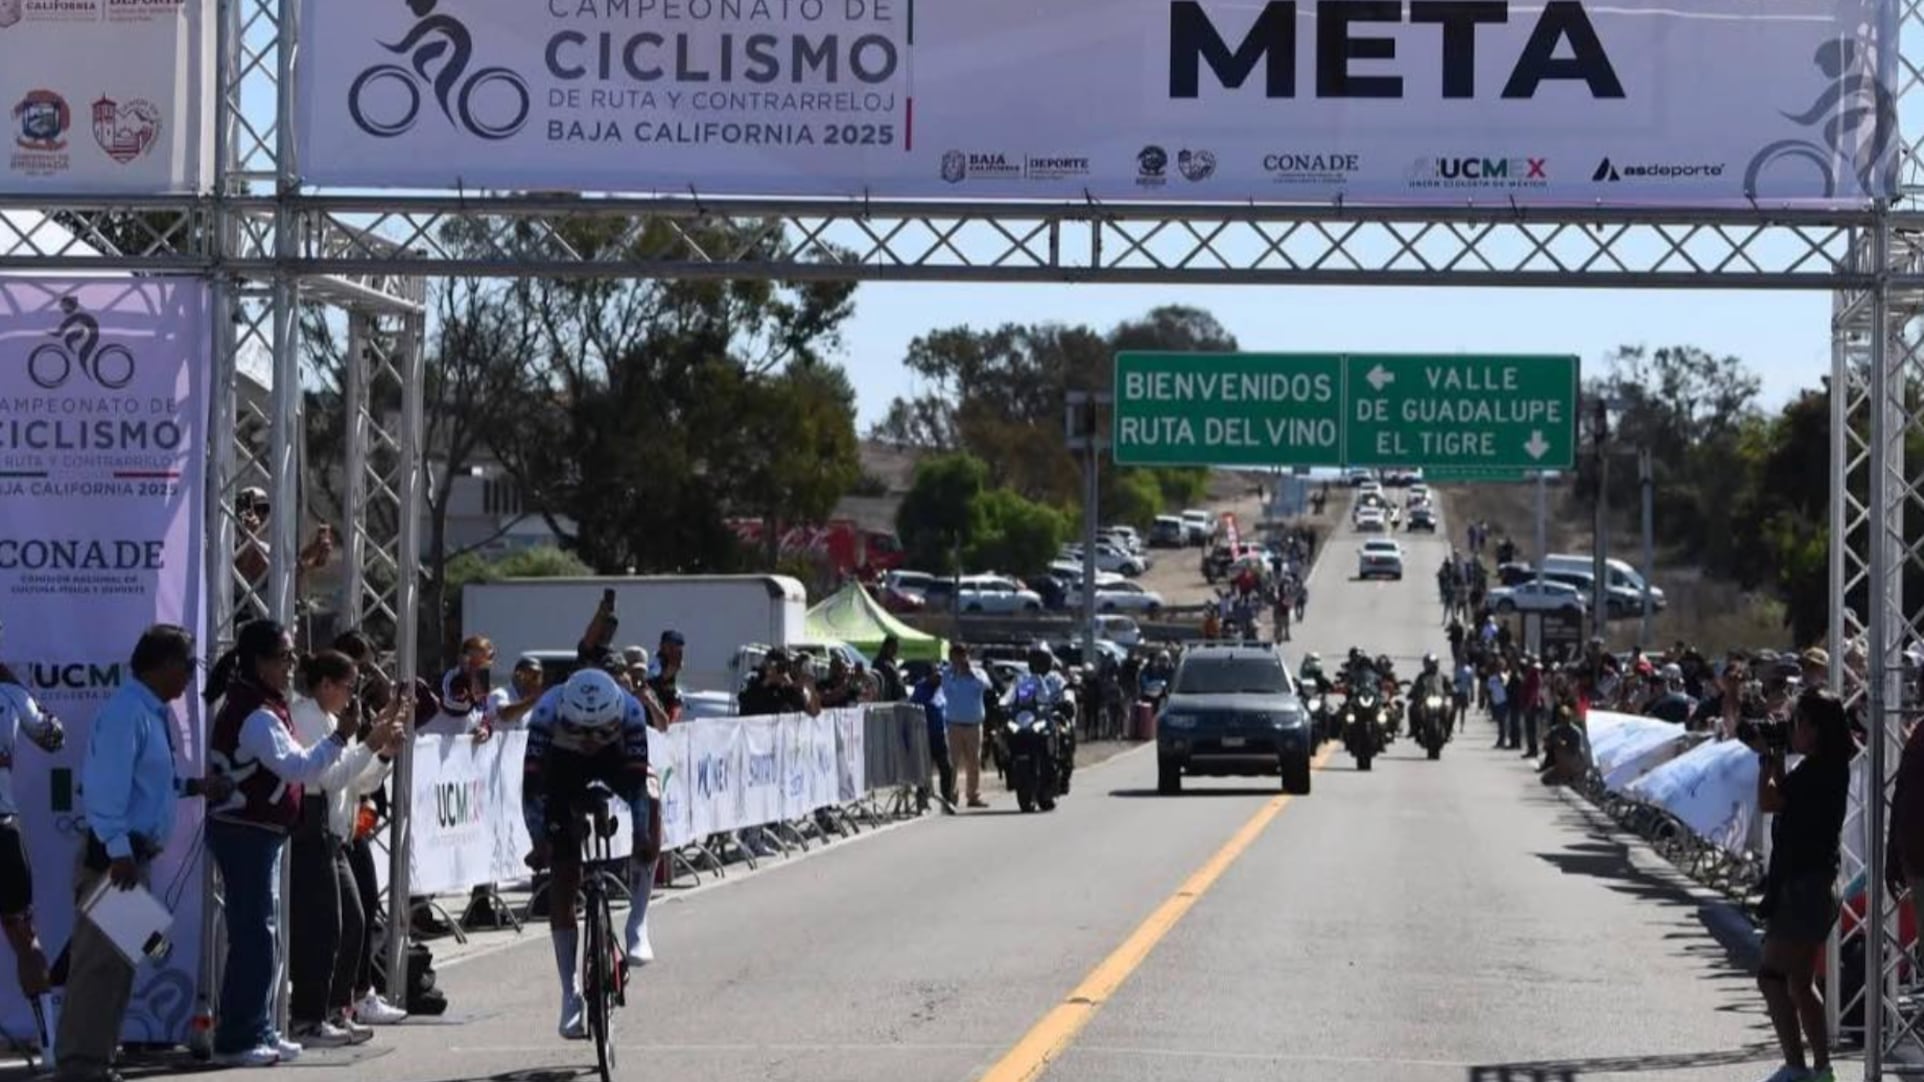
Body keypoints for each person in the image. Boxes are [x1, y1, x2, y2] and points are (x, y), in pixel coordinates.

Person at [57, 625, 231, 1082]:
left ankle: (96, 1060)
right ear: (167, 665)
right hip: (114, 863)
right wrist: (118, 853)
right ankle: (79, 1065)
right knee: (99, 967)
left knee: (118, 967)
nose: (191, 679)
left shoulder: (148, 712)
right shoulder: (126, 713)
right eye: (188, 668)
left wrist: (193, 787)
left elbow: (146, 784)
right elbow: (103, 790)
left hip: (129, 860)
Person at [206, 620, 356, 1067]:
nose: (292, 666)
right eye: (284, 658)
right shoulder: (255, 714)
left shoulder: (265, 707)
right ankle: (237, 1037)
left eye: (291, 657)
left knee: (265, 935)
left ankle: (261, 1027)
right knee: (253, 936)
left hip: (261, 831)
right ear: (259, 662)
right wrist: (341, 737)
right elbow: (299, 768)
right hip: (245, 831)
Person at [522, 668, 659, 1039]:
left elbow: (638, 790)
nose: (590, 740)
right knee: (564, 875)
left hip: (615, 765)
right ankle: (570, 994)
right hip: (562, 771)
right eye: (581, 730)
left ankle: (637, 923)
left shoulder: (631, 712)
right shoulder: (546, 714)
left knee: (653, 793)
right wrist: (540, 841)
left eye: (599, 731)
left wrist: (641, 836)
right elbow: (532, 790)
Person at [286, 651, 409, 1048]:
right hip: (312, 830)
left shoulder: (337, 722)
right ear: (324, 685)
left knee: (352, 923)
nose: (352, 695)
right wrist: (368, 741)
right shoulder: (307, 718)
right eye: (348, 686)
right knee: (324, 928)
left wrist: (383, 749)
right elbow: (328, 777)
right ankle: (309, 1015)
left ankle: (337, 1009)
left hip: (337, 835)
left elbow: (360, 782)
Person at [1751, 689, 1852, 1082]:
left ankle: (1795, 1070)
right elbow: (1786, 792)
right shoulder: (1828, 766)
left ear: (1814, 728)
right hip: (1817, 884)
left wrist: (1765, 760)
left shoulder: (1818, 770)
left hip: (1803, 888)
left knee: (1771, 977)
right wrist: (1776, 756)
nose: (1792, 730)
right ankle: (1823, 1071)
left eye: (1797, 723)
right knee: (1800, 982)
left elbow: (1769, 799)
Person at [0, 631, 63, 1009]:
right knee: (24, 935)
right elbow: (53, 737)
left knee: (25, 934)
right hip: (3, 828)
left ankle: (51, 1044)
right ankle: (50, 1046)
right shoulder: (12, 694)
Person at [943, 645, 991, 809]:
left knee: (973, 761)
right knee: (952, 762)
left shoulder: (978, 673)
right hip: (954, 724)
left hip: (973, 724)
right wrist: (956, 674)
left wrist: (970, 674)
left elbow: (986, 686)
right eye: (953, 657)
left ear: (965, 657)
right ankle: (951, 795)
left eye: (959, 656)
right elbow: (947, 690)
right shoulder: (947, 674)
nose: (956, 660)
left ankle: (973, 795)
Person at [909, 668, 954, 814]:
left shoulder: (942, 689)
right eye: (936, 676)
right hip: (924, 736)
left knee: (946, 769)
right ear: (929, 676)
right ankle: (922, 802)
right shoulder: (921, 689)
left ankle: (947, 799)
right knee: (924, 771)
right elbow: (914, 707)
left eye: (940, 676)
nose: (939, 679)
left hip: (940, 736)